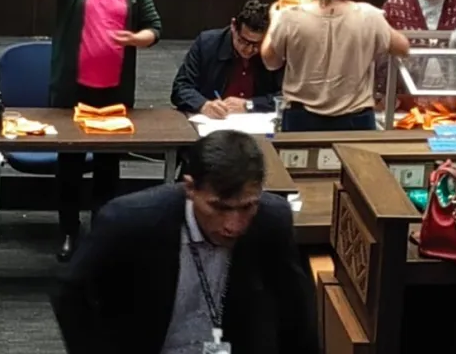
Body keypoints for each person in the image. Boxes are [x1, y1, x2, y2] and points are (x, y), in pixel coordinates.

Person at [54, 130, 318, 354]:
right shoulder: (130, 221)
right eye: (219, 208)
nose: (234, 225)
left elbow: (295, 312)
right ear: (190, 188)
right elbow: (70, 292)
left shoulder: (272, 220)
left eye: (247, 207)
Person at [14, 0, 162, 261]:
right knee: (69, 166)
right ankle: (68, 231)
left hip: (114, 93)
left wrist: (136, 39)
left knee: (108, 168)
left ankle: (103, 232)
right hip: (73, 89)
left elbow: (154, 28)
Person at [261, 0, 410, 131]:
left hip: (302, 122)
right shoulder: (369, 16)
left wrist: (274, 22)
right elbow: (403, 48)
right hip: (356, 122)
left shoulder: (289, 17)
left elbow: (271, 62)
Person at [171, 0, 282, 118]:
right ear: (233, 26)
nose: (249, 50)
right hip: (215, 120)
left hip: (259, 121)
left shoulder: (276, 49)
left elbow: (288, 97)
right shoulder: (207, 44)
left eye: (257, 44)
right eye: (243, 41)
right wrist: (203, 105)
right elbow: (181, 88)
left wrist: (251, 104)